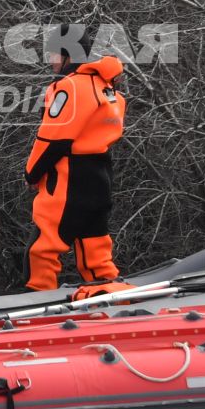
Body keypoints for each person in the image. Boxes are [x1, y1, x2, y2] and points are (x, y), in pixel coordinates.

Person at [23, 26, 126, 294]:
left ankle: (36, 306)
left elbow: (53, 138)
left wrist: (32, 174)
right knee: (96, 252)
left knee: (41, 251)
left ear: (67, 54)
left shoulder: (68, 87)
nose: (51, 60)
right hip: (101, 176)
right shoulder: (108, 88)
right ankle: (113, 298)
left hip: (69, 180)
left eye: (54, 54)